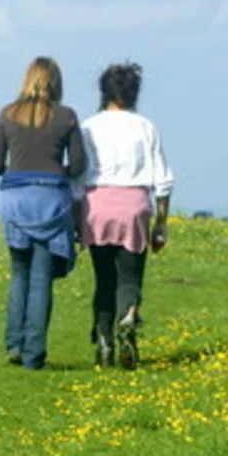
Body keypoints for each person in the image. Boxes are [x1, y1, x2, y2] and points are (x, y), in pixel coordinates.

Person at [75, 62, 173, 369]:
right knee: (130, 276)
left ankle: (104, 341)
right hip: (134, 205)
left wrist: (76, 218)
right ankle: (128, 314)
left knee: (104, 278)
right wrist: (161, 223)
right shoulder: (145, 127)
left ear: (104, 91)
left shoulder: (89, 127)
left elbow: (78, 178)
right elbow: (163, 181)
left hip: (97, 205)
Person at [0, 56, 85, 370]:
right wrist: (56, 172)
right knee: (41, 276)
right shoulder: (66, 116)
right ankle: (34, 354)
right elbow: (79, 166)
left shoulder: (7, 113)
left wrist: (18, 172)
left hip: (16, 200)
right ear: (56, 82)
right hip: (50, 201)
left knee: (20, 273)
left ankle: (14, 344)